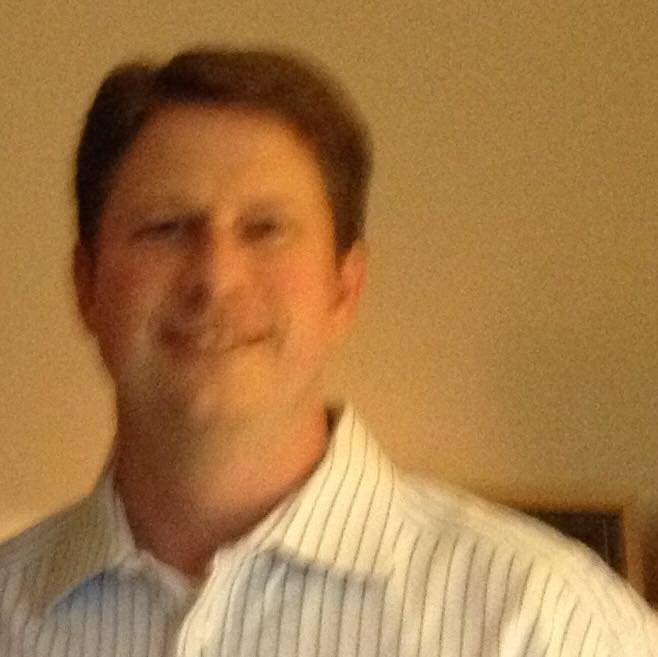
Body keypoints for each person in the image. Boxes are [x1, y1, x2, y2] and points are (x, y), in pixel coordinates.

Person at [0, 46, 656, 657]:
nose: (216, 278)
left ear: (344, 287)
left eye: (265, 229)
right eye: (166, 228)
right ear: (86, 284)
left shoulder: (542, 622)